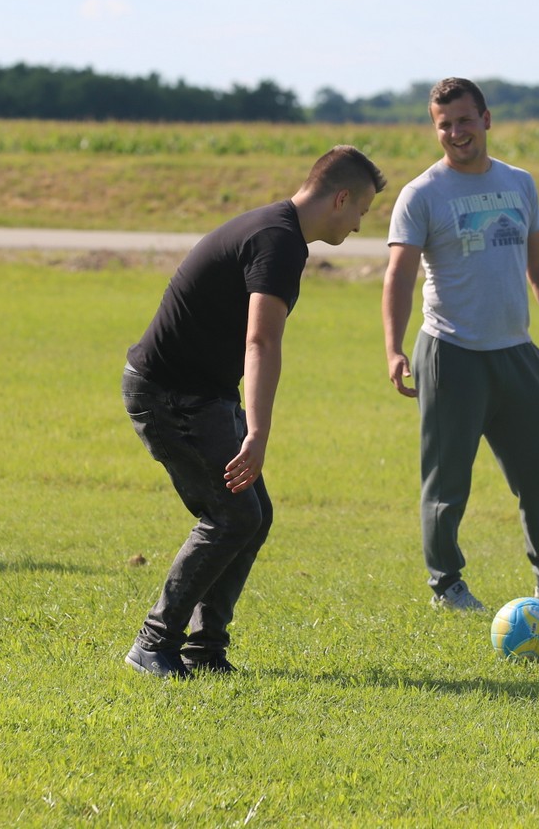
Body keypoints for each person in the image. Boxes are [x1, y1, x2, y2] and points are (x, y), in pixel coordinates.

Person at [122, 145, 387, 678]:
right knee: (233, 515)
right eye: (361, 210)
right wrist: (258, 431)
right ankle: (153, 643)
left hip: (202, 393)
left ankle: (204, 649)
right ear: (340, 198)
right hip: (170, 394)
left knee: (252, 515)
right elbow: (261, 341)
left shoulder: (278, 231)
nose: (360, 224)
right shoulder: (278, 242)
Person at [382, 77, 539, 612]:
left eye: (465, 120)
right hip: (450, 353)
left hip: (516, 353)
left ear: (486, 119)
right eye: (444, 125)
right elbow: (398, 276)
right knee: (447, 484)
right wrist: (394, 348)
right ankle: (447, 587)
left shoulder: (518, 183)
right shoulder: (422, 194)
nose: (456, 132)